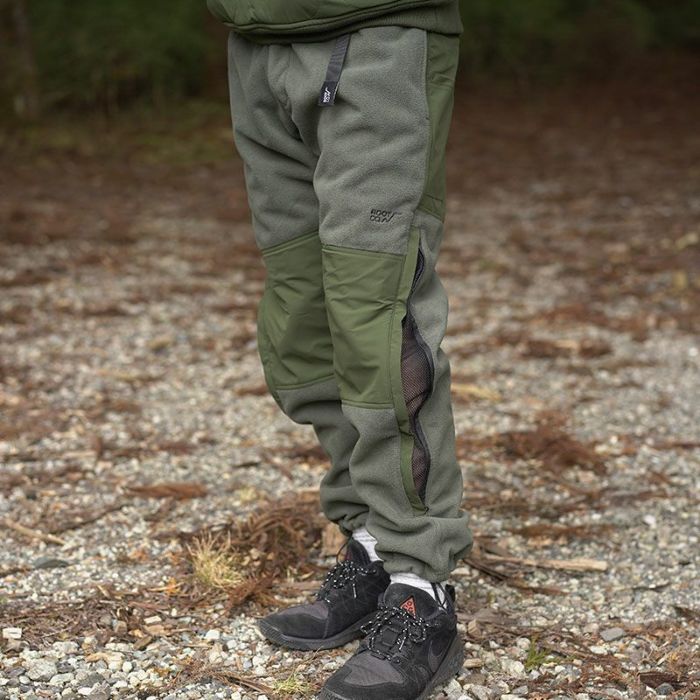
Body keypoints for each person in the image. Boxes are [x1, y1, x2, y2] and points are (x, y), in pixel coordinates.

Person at [208, 0, 473, 697]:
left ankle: (421, 586)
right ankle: (375, 542)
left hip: (375, 33)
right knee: (302, 323)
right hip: (257, 39)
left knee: (376, 319)